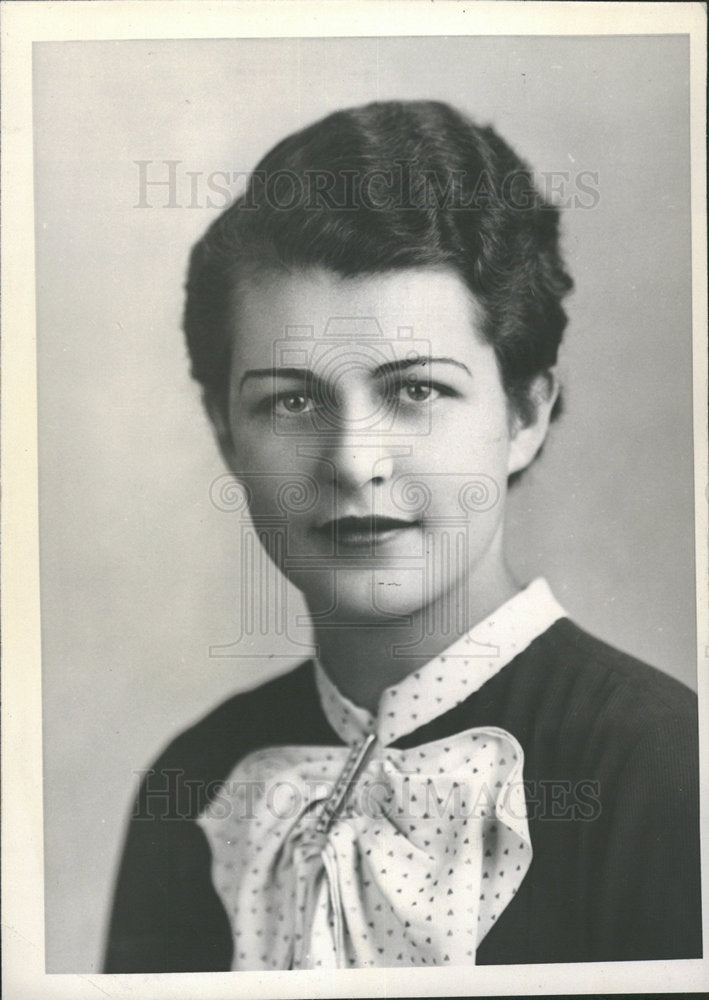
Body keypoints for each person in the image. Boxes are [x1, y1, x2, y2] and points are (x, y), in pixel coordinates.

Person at [104, 100, 701, 972]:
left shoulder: (662, 767)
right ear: (227, 433)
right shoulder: (195, 782)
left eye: (415, 390)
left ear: (525, 412)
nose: (353, 461)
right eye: (292, 400)